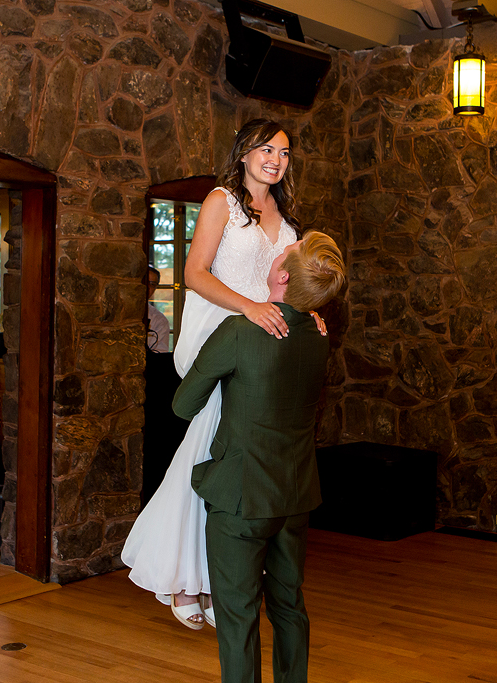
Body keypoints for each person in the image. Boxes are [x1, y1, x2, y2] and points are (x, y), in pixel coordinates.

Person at [122, 119, 305, 629]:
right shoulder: (221, 200)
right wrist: (248, 307)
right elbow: (195, 274)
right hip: (223, 330)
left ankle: (207, 576)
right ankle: (182, 577)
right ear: (244, 154)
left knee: (233, 456)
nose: (275, 159)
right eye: (265, 149)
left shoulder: (284, 214)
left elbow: (289, 281)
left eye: (284, 152)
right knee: (211, 446)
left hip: (265, 337)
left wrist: (305, 310)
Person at [173, 231, 346, 683]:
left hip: (242, 497)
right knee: (290, 607)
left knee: (238, 617)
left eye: (283, 254)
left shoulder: (239, 331)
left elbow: (182, 405)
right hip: (295, 496)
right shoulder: (319, 334)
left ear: (282, 275)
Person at [146, 266, 170, 352]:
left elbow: (159, 353)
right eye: (145, 282)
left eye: (152, 284)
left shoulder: (159, 320)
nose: (147, 287)